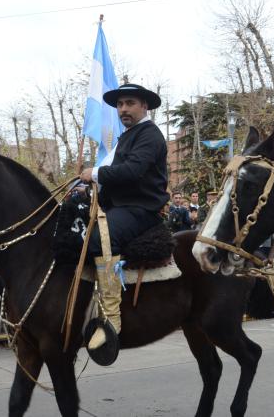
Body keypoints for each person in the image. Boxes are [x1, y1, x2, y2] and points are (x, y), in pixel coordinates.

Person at [78, 83, 169, 357]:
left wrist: (94, 173)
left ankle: (111, 318)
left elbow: (132, 171)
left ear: (145, 106)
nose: (123, 109)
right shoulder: (127, 136)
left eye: (129, 103)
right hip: (119, 207)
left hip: (140, 210)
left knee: (99, 238)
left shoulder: (150, 135)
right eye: (119, 105)